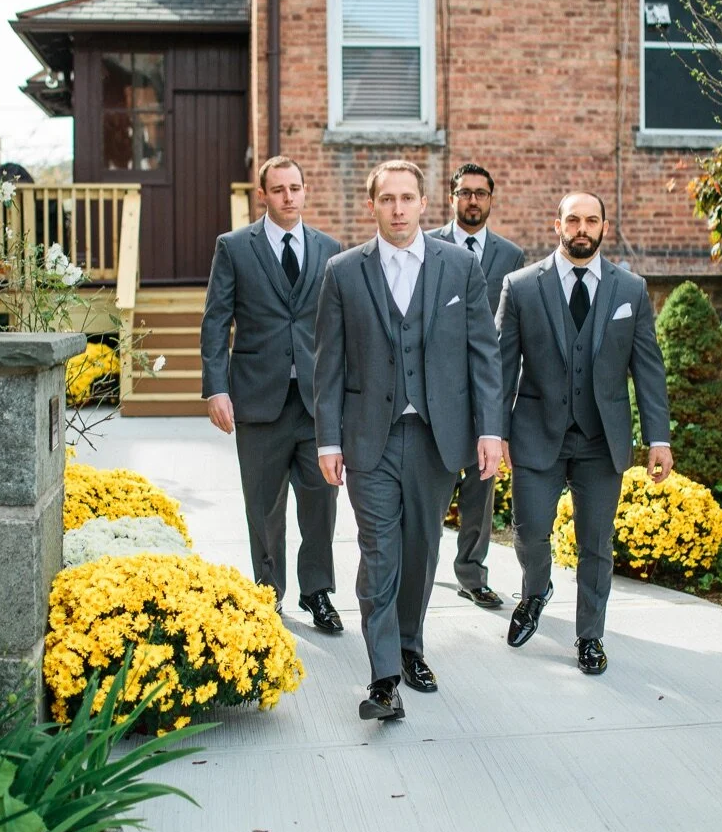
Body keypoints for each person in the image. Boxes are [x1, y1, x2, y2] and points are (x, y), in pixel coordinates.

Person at [314, 160, 503, 721]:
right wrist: (328, 441)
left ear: (425, 204)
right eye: (387, 199)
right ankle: (383, 679)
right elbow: (328, 365)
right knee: (380, 553)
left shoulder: (460, 268)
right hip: (368, 436)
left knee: (421, 551)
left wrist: (490, 429)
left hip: (437, 436)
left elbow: (483, 354)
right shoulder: (343, 272)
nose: (397, 208)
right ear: (371, 205)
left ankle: (411, 647)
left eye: (407, 198)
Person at [496, 192, 673, 674]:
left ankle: (590, 636)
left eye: (591, 220)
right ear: (557, 225)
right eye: (573, 219)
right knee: (530, 530)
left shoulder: (630, 290)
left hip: (601, 440)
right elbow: (501, 366)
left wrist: (659, 438)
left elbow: (648, 369)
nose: (581, 228)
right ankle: (536, 590)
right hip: (536, 433)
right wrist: (496, 431)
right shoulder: (522, 286)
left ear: (604, 227)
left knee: (596, 543)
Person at [200, 156, 344, 633]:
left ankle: (318, 592)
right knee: (263, 507)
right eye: (278, 189)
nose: (288, 196)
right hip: (257, 398)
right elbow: (217, 320)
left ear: (306, 191)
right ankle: (268, 593)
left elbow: (342, 328)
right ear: (263, 195)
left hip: (316, 400)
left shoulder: (330, 249)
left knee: (321, 503)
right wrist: (216, 387)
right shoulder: (235, 247)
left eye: (295, 187)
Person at [426, 163, 525, 609]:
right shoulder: (427, 246)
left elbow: (512, 329)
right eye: (464, 193)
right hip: (437, 387)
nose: (472, 201)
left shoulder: (510, 256)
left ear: (491, 199)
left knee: (481, 485)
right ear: (451, 197)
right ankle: (419, 569)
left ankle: (471, 572)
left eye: (481, 194)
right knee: (432, 485)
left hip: (487, 387)